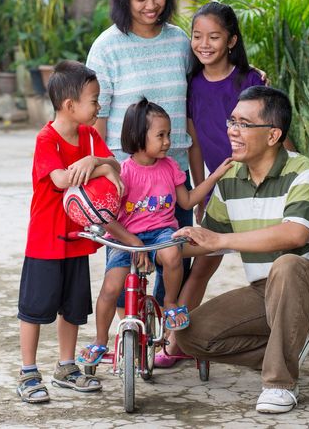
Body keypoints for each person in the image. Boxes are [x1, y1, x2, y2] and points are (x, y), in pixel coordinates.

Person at [173, 86, 309, 414]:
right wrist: (154, 247)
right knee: (190, 335)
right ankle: (288, 345)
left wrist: (220, 241)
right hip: (266, 290)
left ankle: (279, 382)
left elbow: (295, 234)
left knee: (287, 265)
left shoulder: (302, 171)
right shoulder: (229, 179)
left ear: (273, 135)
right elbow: (205, 239)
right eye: (232, 121)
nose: (232, 130)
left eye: (244, 124)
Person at [77, 98, 232, 365]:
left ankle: (171, 303)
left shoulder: (171, 167)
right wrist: (133, 242)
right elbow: (106, 218)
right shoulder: (122, 172)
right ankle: (100, 341)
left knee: (172, 255)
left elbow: (186, 202)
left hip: (162, 232)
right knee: (110, 288)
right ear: (138, 135)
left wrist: (215, 175)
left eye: (169, 134)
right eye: (160, 135)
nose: (168, 141)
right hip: (126, 237)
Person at [156, 1, 267, 367]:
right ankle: (175, 341)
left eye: (214, 36)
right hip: (220, 188)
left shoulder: (250, 81)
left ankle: (281, 331)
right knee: (203, 265)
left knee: (271, 263)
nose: (204, 44)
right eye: (197, 36)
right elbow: (195, 144)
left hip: (259, 185)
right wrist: (200, 192)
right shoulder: (191, 85)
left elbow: (273, 136)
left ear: (232, 40)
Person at [86, 0, 193, 312]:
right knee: (123, 268)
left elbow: (201, 91)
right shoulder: (107, 47)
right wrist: (103, 170)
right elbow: (96, 120)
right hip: (125, 179)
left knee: (175, 258)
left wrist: (247, 72)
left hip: (173, 175)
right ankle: (129, 338)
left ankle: (166, 335)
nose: (152, 5)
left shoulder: (180, 41)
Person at [16, 60, 123, 404]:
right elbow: (62, 180)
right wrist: (99, 170)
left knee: (74, 308)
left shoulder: (91, 136)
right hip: (45, 241)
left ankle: (66, 367)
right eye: (94, 100)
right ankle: (28, 372)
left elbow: (115, 166)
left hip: (79, 238)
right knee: (35, 308)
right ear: (69, 105)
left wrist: (95, 162)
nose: (99, 106)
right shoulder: (46, 138)